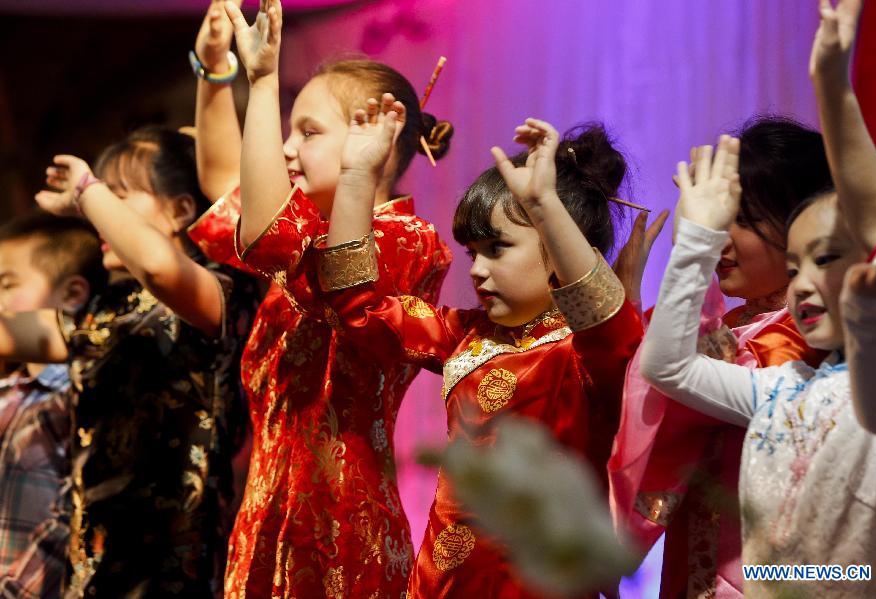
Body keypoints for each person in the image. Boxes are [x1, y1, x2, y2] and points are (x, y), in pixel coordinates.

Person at [317, 108, 643, 597]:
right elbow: (359, 306)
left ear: (558, 245)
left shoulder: (586, 351)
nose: (476, 269)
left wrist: (545, 203)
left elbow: (610, 329)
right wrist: (357, 175)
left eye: (497, 247)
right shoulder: (465, 334)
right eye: (473, 252)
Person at [189, 1, 454, 596]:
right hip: (267, 507)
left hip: (338, 517)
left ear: (374, 141)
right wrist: (214, 72)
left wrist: (261, 84)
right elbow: (222, 181)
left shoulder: (408, 240)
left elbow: (264, 233)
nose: (286, 149)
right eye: (288, 130)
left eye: (308, 133)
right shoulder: (310, 224)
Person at [0, 126, 255, 597]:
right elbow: (8, 334)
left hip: (172, 578)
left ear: (180, 211)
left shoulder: (221, 292)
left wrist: (84, 191)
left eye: (117, 195)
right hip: (93, 578)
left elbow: (160, 266)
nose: (101, 216)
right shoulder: (107, 310)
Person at [610, 117, 834, 598]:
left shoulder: (803, 341)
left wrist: (693, 245)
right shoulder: (735, 327)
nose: (723, 239)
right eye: (720, 219)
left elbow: (670, 375)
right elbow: (640, 391)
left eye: (744, 219)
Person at [0, 212, 104, 598]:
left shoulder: (76, 401)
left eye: (7, 284)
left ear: (72, 295)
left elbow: (68, 521)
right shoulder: (10, 391)